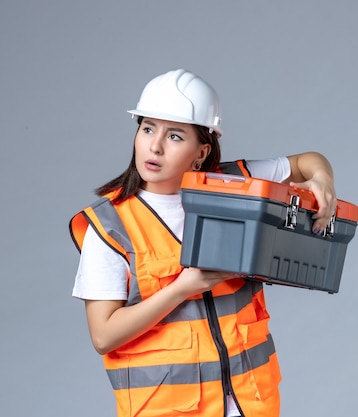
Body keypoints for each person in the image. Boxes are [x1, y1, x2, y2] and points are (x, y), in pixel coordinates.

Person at [69, 69, 337, 417]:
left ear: (202, 151)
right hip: (169, 410)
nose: (155, 145)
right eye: (148, 128)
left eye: (175, 136)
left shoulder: (236, 185)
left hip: (249, 401)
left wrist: (323, 179)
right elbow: (103, 335)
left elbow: (307, 162)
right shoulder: (110, 225)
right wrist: (183, 288)